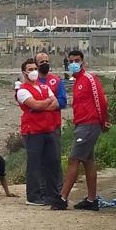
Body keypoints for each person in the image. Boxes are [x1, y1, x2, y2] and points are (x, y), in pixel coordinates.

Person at [52, 50, 109, 211]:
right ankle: (91, 200)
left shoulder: (89, 79)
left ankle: (62, 198)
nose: (74, 63)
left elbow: (101, 101)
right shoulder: (77, 81)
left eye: (77, 60)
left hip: (89, 124)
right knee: (88, 161)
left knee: (74, 159)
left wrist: (103, 121)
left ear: (83, 61)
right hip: (81, 124)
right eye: (71, 61)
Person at [16, 59, 61, 206]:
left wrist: (42, 106)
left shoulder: (44, 86)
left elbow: (56, 103)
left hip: (49, 129)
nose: (33, 71)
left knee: (52, 162)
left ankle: (52, 194)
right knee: (34, 165)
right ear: (24, 72)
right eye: (30, 69)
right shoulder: (22, 90)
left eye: (35, 68)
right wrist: (45, 103)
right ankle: (33, 196)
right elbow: (34, 104)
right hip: (33, 131)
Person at [35, 52, 67, 194]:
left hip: (54, 127)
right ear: (36, 65)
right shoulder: (32, 83)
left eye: (47, 61)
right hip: (36, 129)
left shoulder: (56, 81)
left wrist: (42, 106)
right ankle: (42, 191)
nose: (45, 64)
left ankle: (58, 191)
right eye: (41, 62)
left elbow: (62, 101)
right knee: (39, 162)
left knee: (54, 161)